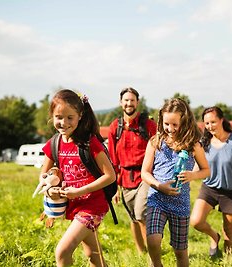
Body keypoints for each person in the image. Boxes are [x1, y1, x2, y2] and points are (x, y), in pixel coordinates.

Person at [40, 89, 116, 267]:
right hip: (74, 205)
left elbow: (110, 175)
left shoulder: (90, 142)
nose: (63, 123)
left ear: (80, 116)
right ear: (52, 116)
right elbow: (43, 176)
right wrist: (51, 189)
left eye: (70, 117)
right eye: (59, 117)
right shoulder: (54, 143)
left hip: (93, 205)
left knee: (62, 251)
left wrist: (80, 191)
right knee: (94, 256)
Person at [141, 98, 210, 267]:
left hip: (180, 203)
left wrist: (192, 176)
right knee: (153, 240)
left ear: (184, 122)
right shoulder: (155, 142)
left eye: (174, 125)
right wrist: (158, 185)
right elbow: (144, 172)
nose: (170, 129)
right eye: (166, 124)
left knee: (180, 252)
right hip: (157, 198)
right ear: (161, 120)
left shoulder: (193, 145)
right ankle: (157, 264)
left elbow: (206, 170)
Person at [190, 106, 232, 257]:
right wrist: (189, 175)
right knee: (196, 221)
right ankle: (214, 237)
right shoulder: (204, 143)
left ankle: (228, 261)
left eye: (213, 122)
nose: (210, 126)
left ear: (222, 120)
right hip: (209, 188)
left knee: (229, 231)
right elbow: (198, 166)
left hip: (231, 191)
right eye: (207, 123)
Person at [107, 87, 157, 253]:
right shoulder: (115, 127)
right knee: (133, 218)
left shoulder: (149, 125)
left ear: (138, 102)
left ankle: (153, 255)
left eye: (132, 100)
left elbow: (160, 147)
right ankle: (141, 251)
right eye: (126, 100)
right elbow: (113, 159)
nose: (129, 103)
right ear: (121, 103)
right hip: (125, 178)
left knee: (141, 213)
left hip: (145, 175)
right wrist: (115, 187)